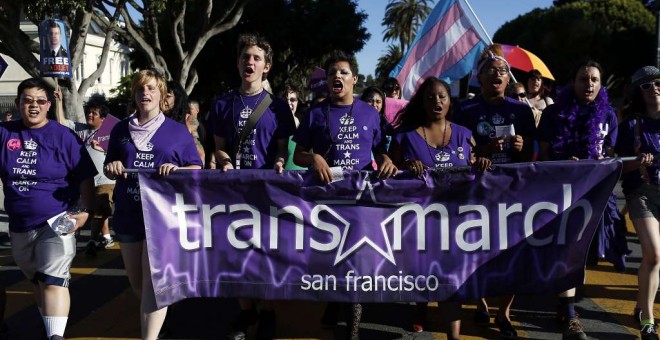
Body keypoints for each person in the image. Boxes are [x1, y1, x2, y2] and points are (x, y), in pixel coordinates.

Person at [292, 51, 397, 339]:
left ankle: (352, 330)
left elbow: (380, 149)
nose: (336, 76)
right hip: (327, 201)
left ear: (354, 79)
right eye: (331, 74)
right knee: (332, 259)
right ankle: (333, 302)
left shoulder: (369, 113)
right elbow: (298, 154)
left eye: (342, 72)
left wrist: (386, 159)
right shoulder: (314, 114)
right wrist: (313, 159)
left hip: (363, 201)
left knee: (356, 262)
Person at [388, 77, 491, 339]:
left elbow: (472, 166)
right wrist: (405, 168)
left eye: (442, 96)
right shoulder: (405, 136)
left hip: (456, 222)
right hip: (419, 221)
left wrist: (480, 163)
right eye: (431, 97)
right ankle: (420, 308)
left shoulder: (464, 134)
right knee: (423, 272)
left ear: (449, 101)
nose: (437, 101)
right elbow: (390, 173)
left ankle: (453, 337)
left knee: (451, 279)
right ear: (422, 102)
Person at [103, 70, 202, 340]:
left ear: (161, 95)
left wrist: (177, 169)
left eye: (151, 89)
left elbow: (196, 167)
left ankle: (150, 336)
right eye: (139, 89)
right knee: (137, 283)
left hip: (162, 217)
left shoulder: (176, 130)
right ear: (134, 95)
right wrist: (112, 167)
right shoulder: (120, 129)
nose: (145, 93)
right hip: (128, 213)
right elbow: (110, 165)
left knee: (153, 284)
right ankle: (157, 325)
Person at [211, 33, 296, 340]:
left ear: (267, 66)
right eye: (246, 57)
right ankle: (247, 310)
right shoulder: (223, 104)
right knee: (237, 254)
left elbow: (282, 149)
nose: (250, 62)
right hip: (233, 192)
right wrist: (224, 163)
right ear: (238, 63)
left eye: (257, 58)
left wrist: (279, 163)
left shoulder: (278, 107)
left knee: (268, 255)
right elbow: (219, 148)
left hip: (267, 192)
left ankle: (269, 312)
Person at [0, 77, 96, 340]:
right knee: (38, 279)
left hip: (58, 219)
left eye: (40, 101)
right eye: (28, 100)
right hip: (20, 224)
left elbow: (86, 175)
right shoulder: (5, 133)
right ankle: (50, 328)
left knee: (53, 278)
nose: (34, 106)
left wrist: (86, 210)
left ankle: (55, 337)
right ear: (18, 103)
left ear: (49, 105)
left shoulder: (63, 136)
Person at [454, 44, 537, 339]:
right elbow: (458, 151)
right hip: (477, 191)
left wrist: (522, 146)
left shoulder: (521, 110)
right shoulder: (465, 109)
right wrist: (481, 152)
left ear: (508, 77)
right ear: (480, 76)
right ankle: (481, 303)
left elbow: (533, 152)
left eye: (502, 71)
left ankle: (504, 312)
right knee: (477, 251)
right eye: (490, 70)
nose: (496, 75)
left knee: (512, 253)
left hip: (513, 192)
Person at [537, 60, 618, 340]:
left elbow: (611, 152)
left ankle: (564, 304)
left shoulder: (608, 115)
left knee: (584, 253)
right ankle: (570, 314)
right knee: (567, 250)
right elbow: (543, 155)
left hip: (595, 194)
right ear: (573, 82)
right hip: (559, 193)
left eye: (594, 79)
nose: (589, 84)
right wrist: (563, 163)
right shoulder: (553, 113)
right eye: (584, 79)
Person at [615, 65, 660, 340]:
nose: (654, 88)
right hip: (641, 193)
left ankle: (641, 303)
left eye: (657, 82)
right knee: (654, 255)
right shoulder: (630, 126)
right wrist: (636, 162)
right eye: (646, 85)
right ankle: (648, 320)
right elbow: (618, 167)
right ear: (638, 92)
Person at [55, 95, 116, 257]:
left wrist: (103, 150)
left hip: (105, 179)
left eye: (94, 113)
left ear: (103, 118)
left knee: (100, 209)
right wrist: (59, 102)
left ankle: (92, 241)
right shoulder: (81, 129)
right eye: (89, 112)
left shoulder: (112, 134)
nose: (90, 115)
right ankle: (64, 239)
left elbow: (121, 156)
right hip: (84, 180)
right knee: (80, 210)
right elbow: (62, 123)